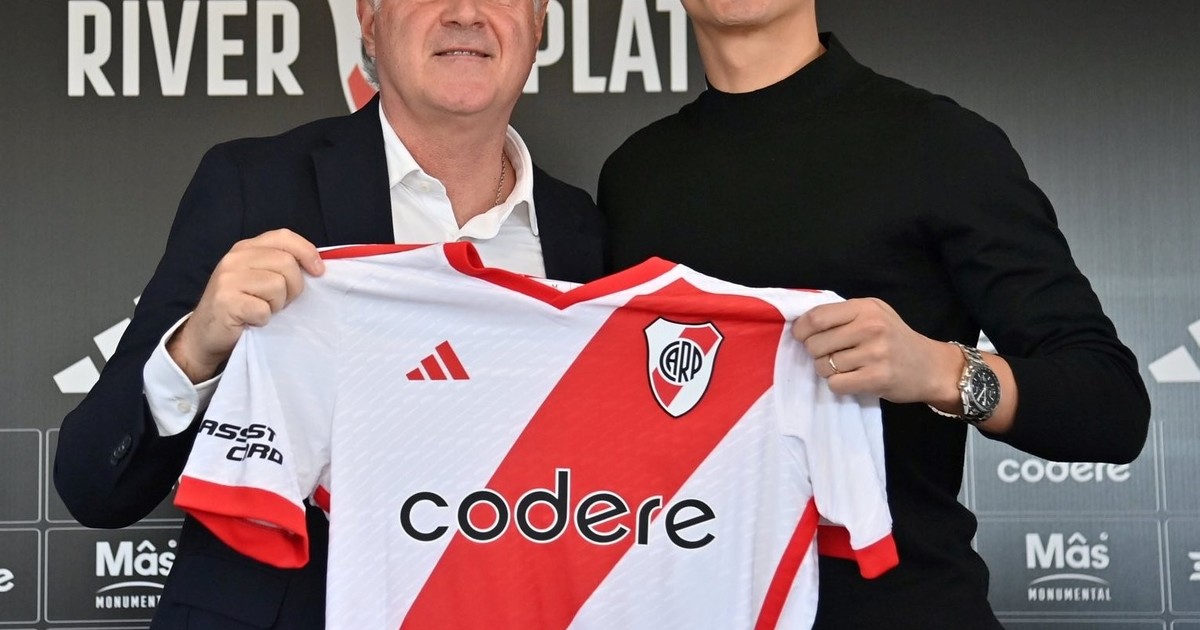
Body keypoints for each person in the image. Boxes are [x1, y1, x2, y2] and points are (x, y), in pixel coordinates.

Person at [597, 1, 1150, 628]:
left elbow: (1112, 406)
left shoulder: (938, 143)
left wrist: (940, 370)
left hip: (897, 605)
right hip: (690, 606)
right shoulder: (634, 174)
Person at [54, 0, 603, 628]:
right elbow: (94, 488)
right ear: (369, 20)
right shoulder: (254, 185)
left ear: (538, 22)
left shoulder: (583, 231)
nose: (465, 13)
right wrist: (196, 349)